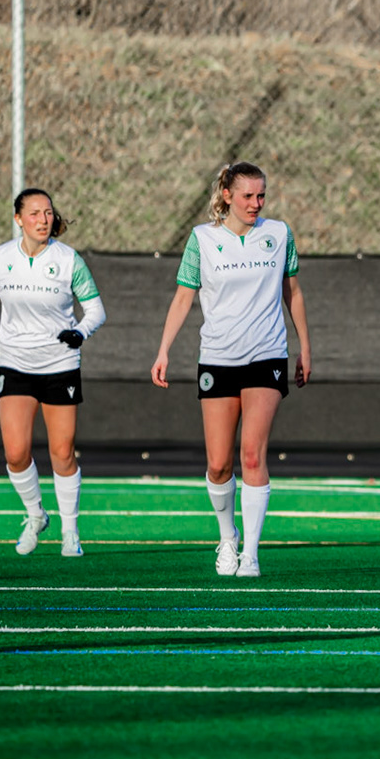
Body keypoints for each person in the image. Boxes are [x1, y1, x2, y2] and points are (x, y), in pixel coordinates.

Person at [150, 162, 311, 579]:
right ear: (227, 196)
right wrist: (164, 349)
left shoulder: (278, 235)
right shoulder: (203, 239)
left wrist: (304, 348)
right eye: (247, 196)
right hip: (218, 358)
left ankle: (252, 554)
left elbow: (291, 291)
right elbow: (184, 297)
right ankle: (227, 538)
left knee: (252, 453)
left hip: (267, 355)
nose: (256, 203)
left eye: (261, 196)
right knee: (219, 464)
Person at [0, 188, 106, 557]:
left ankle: (71, 531)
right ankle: (36, 515)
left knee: (62, 452)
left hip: (60, 365)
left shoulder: (68, 259)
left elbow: (95, 310)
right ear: (18, 219)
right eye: (34, 214)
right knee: (15, 453)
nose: (43, 220)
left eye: (47, 213)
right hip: (15, 362)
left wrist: (80, 331)